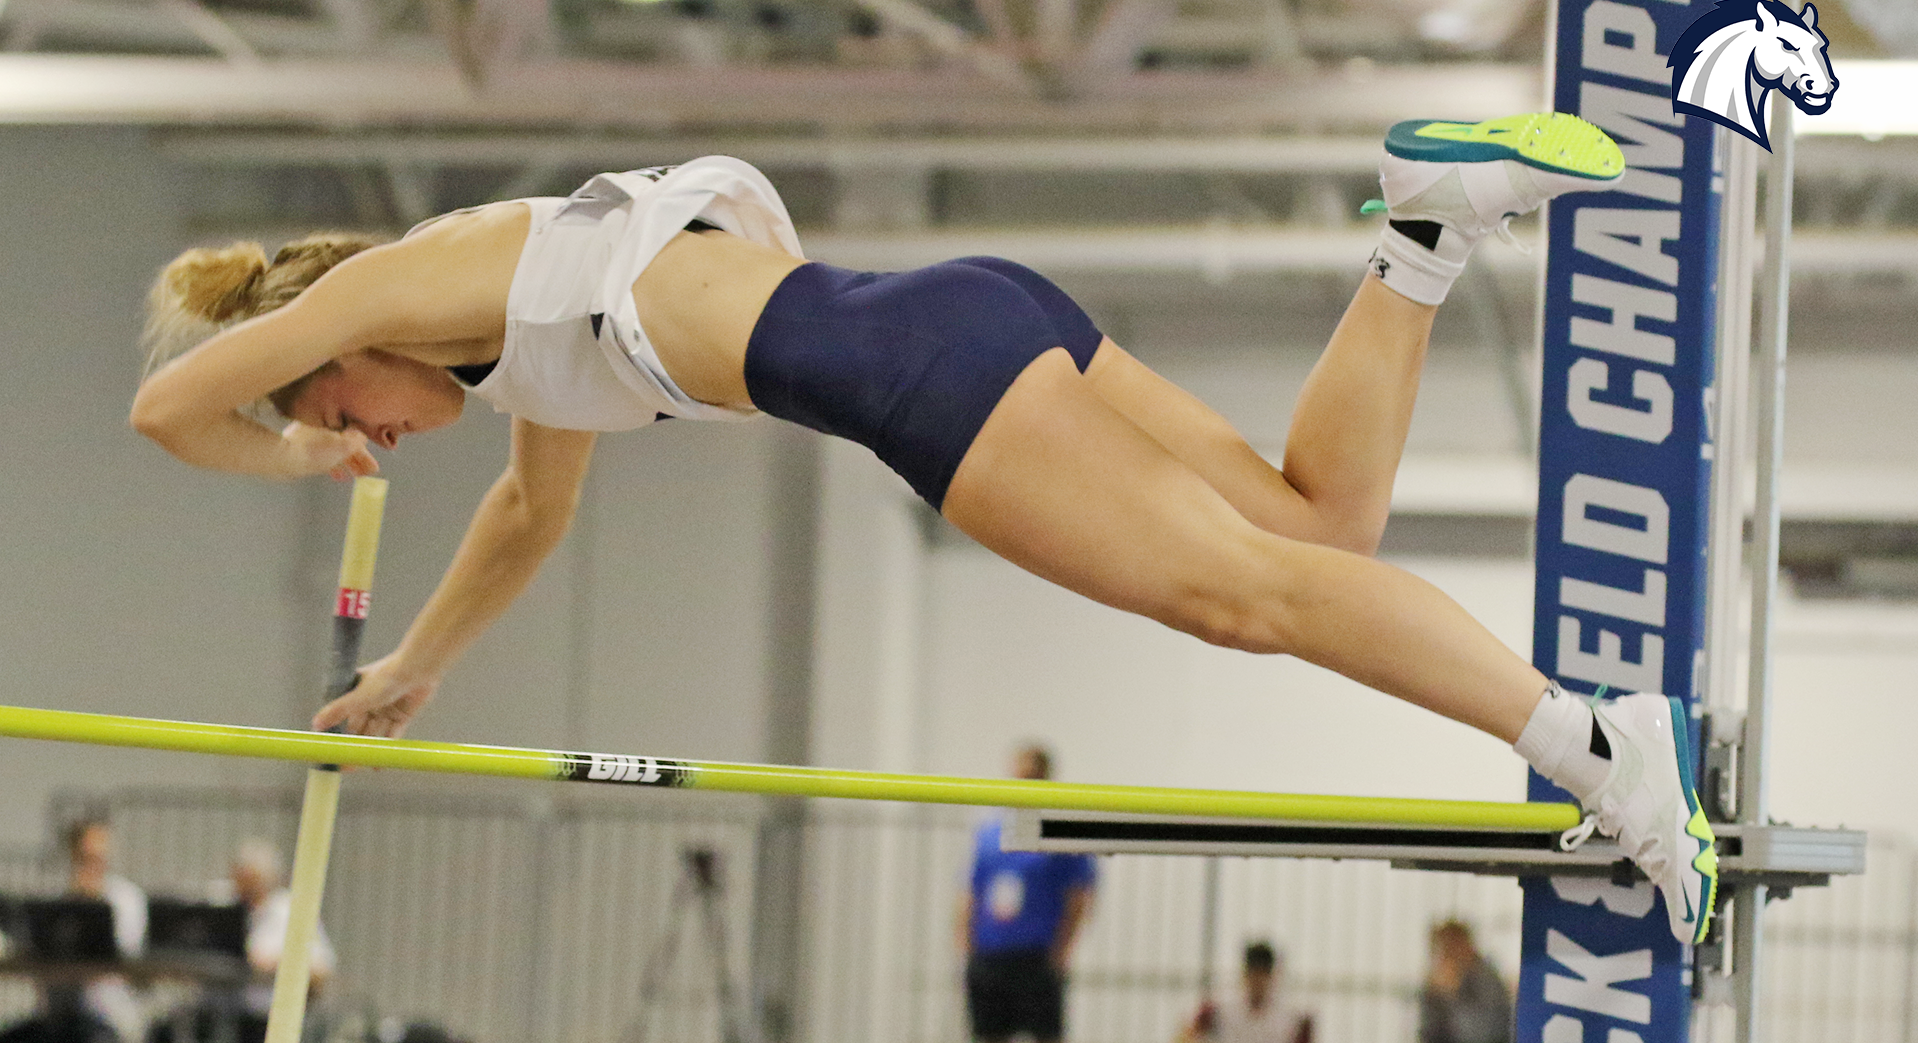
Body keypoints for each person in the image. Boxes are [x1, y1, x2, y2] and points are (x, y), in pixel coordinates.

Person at [128, 112, 1714, 946]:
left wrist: (291, 470)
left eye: (340, 410)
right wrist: (413, 661)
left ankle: (1597, 746)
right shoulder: (518, 328)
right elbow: (530, 517)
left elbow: (168, 413)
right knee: (1320, 528)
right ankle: (1422, 236)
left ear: (328, 339)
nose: (363, 439)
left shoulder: (397, 281)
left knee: (1248, 597)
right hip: (956, 316)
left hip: (907, 373)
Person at [958, 745, 1094, 1043]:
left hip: (1037, 955)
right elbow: (971, 892)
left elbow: (1079, 896)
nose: (1023, 784)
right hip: (990, 954)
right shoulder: (991, 832)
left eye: (1031, 777)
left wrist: (1062, 951)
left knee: (1045, 1034)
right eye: (1019, 777)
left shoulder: (1060, 831)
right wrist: (967, 950)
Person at [0, 818, 149, 1043]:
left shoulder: (125, 900)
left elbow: (125, 955)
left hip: (107, 1019)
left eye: (100, 857)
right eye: (86, 858)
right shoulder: (53, 902)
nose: (94, 865)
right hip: (55, 1020)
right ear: (73, 856)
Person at [229, 839, 335, 1043]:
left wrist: (272, 963)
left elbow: (321, 970)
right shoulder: (224, 905)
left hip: (267, 1018)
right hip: (220, 1014)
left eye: (250, 880)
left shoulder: (289, 911)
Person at [1176, 941, 1310, 1043]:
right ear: (1245, 974)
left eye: (1262, 974)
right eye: (1253, 973)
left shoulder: (1292, 1016)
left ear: (1272, 976)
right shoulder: (1219, 1009)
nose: (1257, 981)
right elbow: (1187, 1035)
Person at [1417, 920, 1510, 1043]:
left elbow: (1480, 1034)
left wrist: (1451, 995)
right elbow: (1428, 1031)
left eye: (1450, 947)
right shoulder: (1439, 982)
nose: (1445, 955)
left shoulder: (1485, 979)